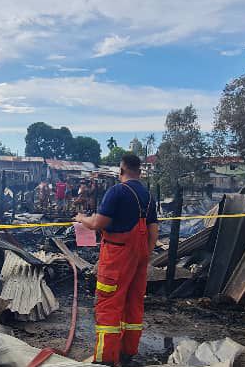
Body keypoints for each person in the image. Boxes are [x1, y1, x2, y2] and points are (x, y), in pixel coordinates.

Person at [74, 154, 158, 366]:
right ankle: (127, 352)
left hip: (116, 257)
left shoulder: (117, 191)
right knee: (133, 303)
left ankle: (106, 358)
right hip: (139, 258)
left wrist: (81, 218)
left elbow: (98, 223)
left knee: (109, 304)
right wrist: (144, 256)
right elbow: (153, 231)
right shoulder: (148, 197)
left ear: (121, 170)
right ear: (139, 172)